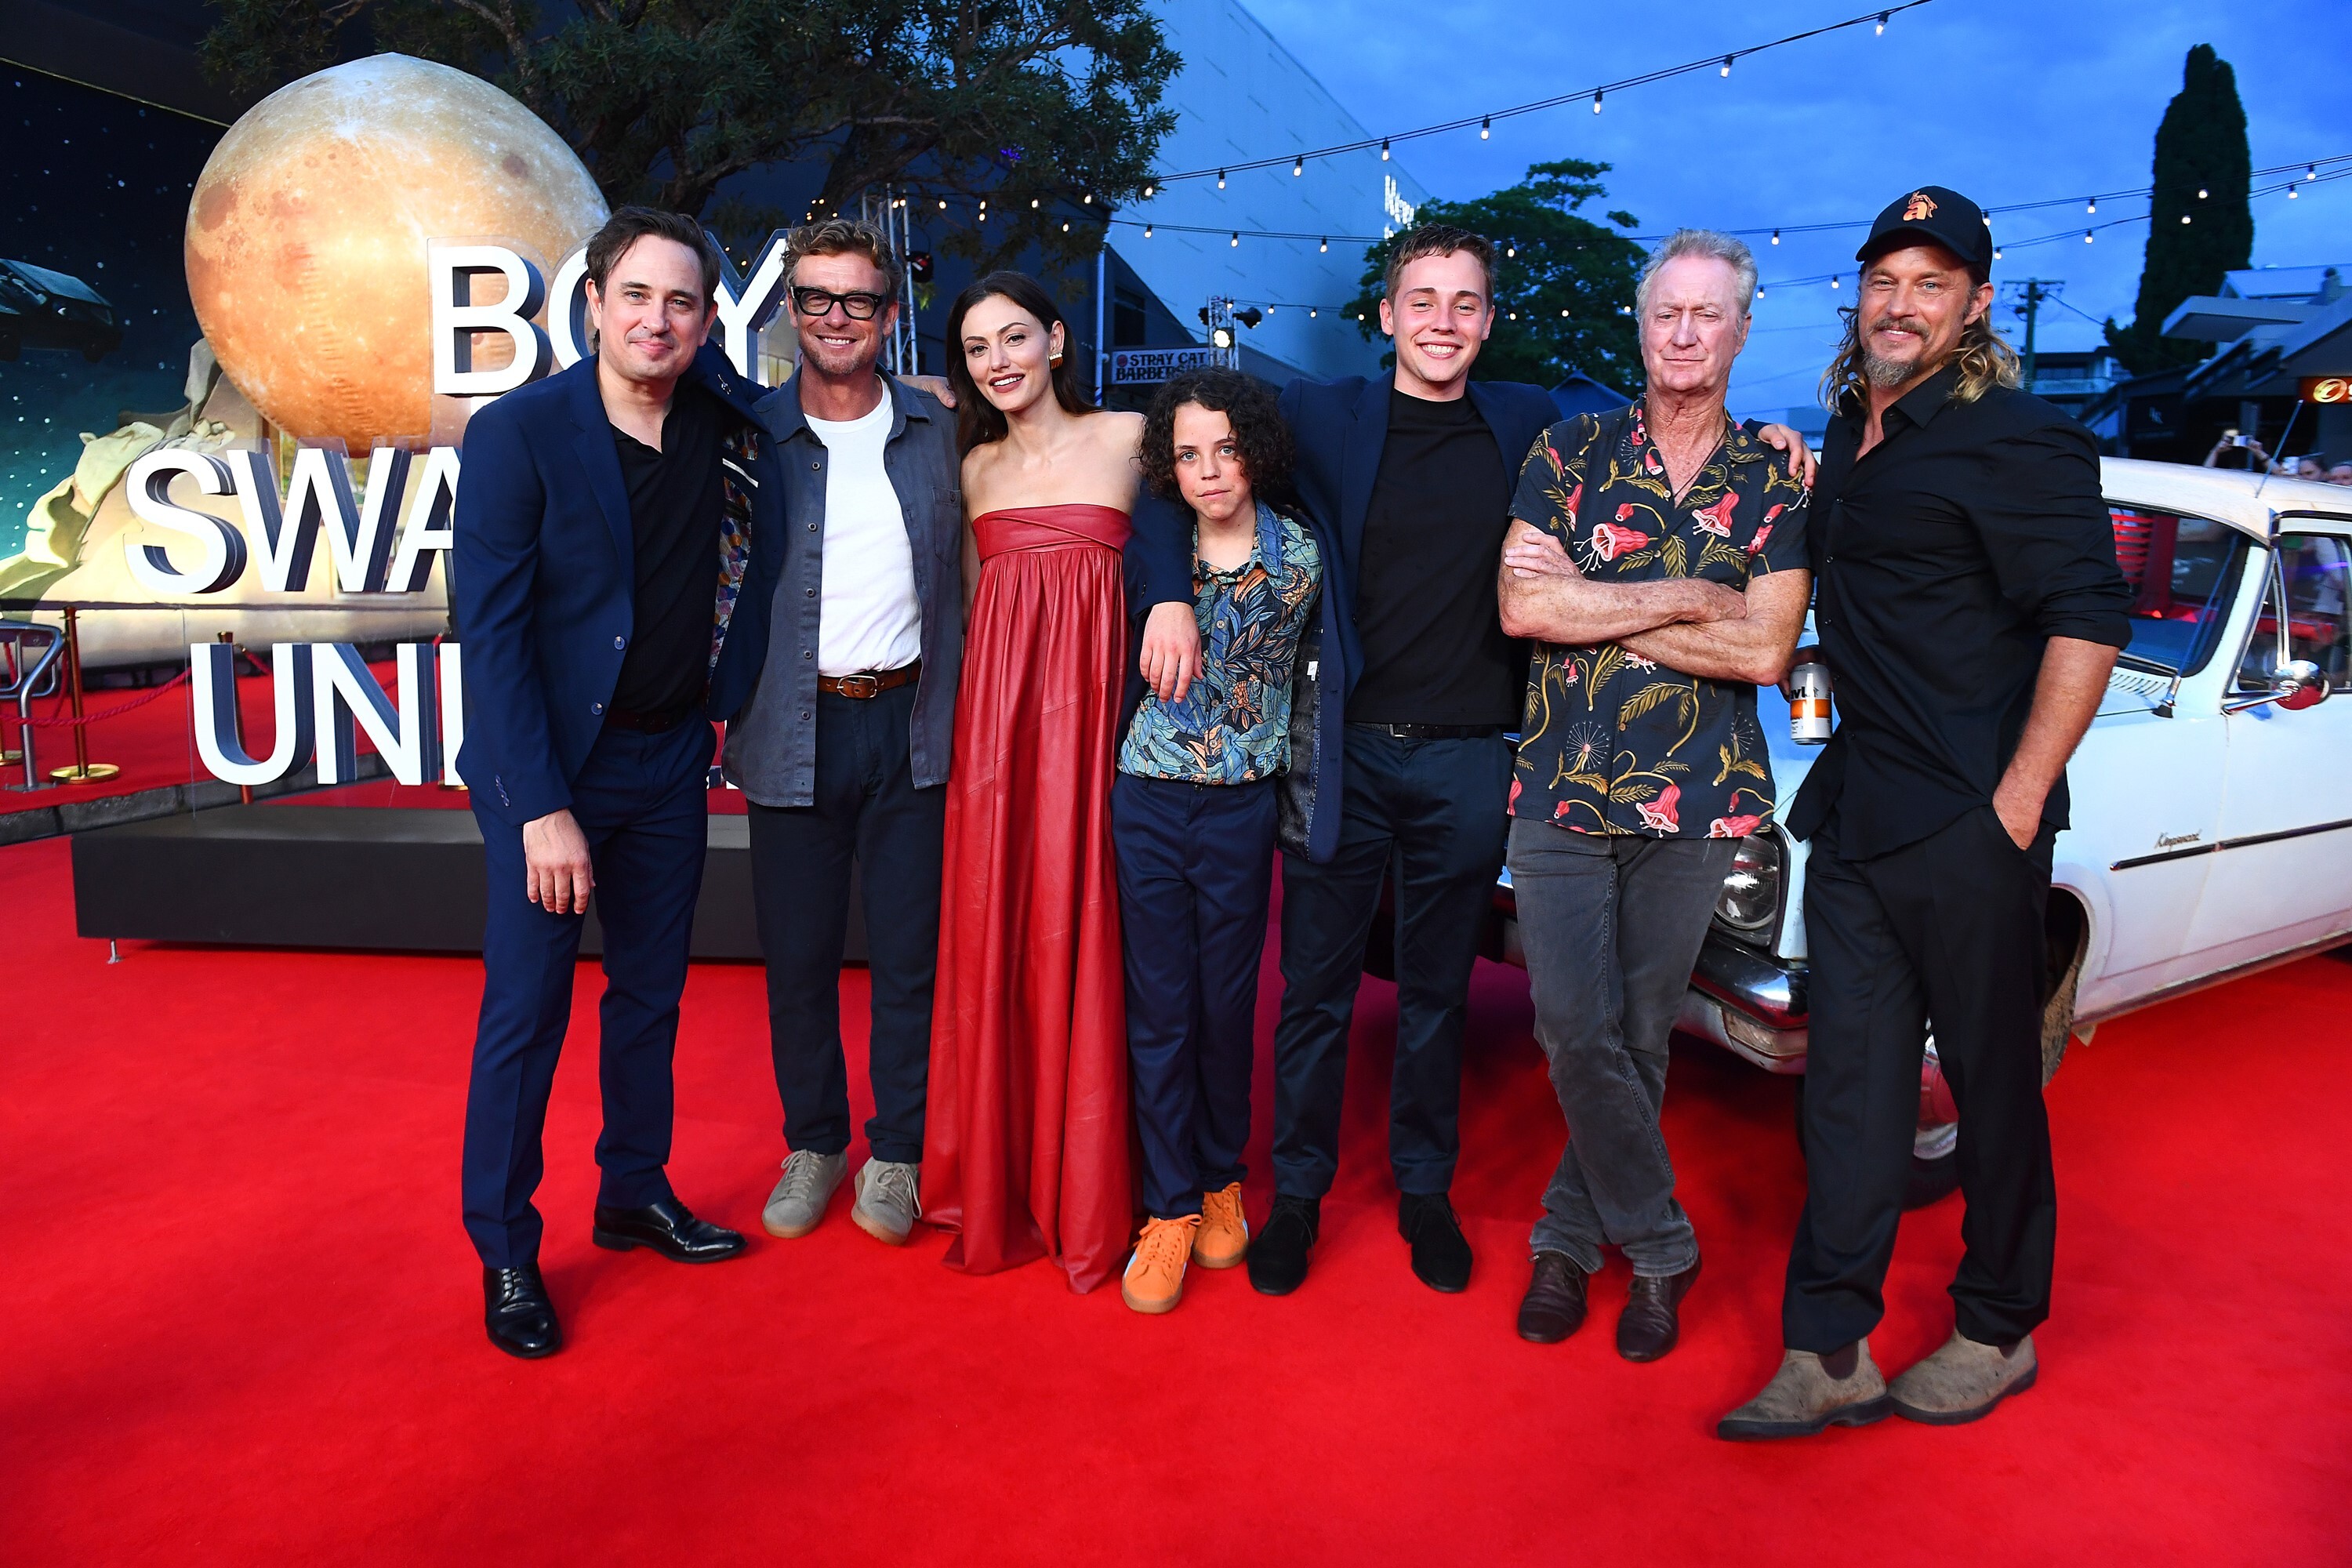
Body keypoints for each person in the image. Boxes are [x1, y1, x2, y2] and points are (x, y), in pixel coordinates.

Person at [1129, 224, 1813, 1299]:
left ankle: (1424, 1191)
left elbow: (1670, 414)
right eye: (1423, 300)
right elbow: (1179, 460)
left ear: (1489, 321)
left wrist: (1771, 435)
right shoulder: (1321, 415)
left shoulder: (1532, 421)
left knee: (1437, 992)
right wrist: (1167, 592)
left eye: (1465, 303)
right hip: (1342, 755)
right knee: (1314, 990)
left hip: (1468, 760)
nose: (1442, 322)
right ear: (1388, 315)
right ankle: (1297, 1195)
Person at [1719, 187, 2131, 1439]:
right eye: (1885, 282)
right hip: (1856, 814)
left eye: (1932, 284)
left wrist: (2016, 805)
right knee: (1848, 1091)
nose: (1902, 306)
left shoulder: (2022, 438)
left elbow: (2089, 619)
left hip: (1969, 824)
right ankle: (1827, 1347)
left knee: (1993, 1086)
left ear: (1977, 304)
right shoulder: (1851, 434)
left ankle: (1999, 1329)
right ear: (1861, 299)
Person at [455, 207, 785, 1359]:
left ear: (706, 321)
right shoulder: (518, 433)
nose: (658, 319)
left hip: (670, 756)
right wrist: (539, 806)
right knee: (526, 1013)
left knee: (650, 995)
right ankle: (506, 1248)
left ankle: (633, 1190)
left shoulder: (725, 420)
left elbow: (796, 415)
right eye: (636, 295)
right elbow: (491, 636)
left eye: (682, 301)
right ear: (593, 302)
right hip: (551, 771)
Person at [1494, 230, 1811, 1360]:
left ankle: (1566, 1241)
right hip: (1560, 786)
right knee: (1571, 1024)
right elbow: (1524, 610)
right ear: (1641, 327)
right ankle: (1666, 1243)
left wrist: (1599, 596)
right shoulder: (1567, 451)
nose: (1684, 333)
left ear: (1741, 331)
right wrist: (1696, 595)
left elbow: (1766, 650)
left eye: (1707, 314)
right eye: (1666, 312)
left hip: (1704, 796)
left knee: (1638, 1030)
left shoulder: (1777, 475)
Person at [722, 219, 963, 1248]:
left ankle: (897, 1150)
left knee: (911, 959)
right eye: (815, 298)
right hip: (791, 725)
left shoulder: (941, 427)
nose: (834, 317)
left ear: (887, 314)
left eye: (856, 299)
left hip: (913, 724)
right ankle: (815, 1142)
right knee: (799, 959)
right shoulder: (749, 433)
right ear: (789, 311)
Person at [919, 271, 1142, 1293]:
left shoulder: (1130, 437)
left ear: (1056, 339)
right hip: (1001, 741)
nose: (998, 361)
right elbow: (975, 619)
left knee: (1096, 932)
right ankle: (1002, 1167)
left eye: (1014, 338)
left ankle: (1099, 1183)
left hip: (1104, 724)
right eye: (976, 349)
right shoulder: (971, 469)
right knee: (1003, 934)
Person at [1112, 368, 1323, 1316]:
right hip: (1149, 798)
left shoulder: (1303, 557)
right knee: (1160, 1007)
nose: (1209, 470)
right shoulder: (1159, 545)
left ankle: (1219, 1177)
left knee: (1227, 1006)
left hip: (1242, 808)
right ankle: (1167, 1206)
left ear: (1258, 451)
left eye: (1227, 449)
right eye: (1189, 454)